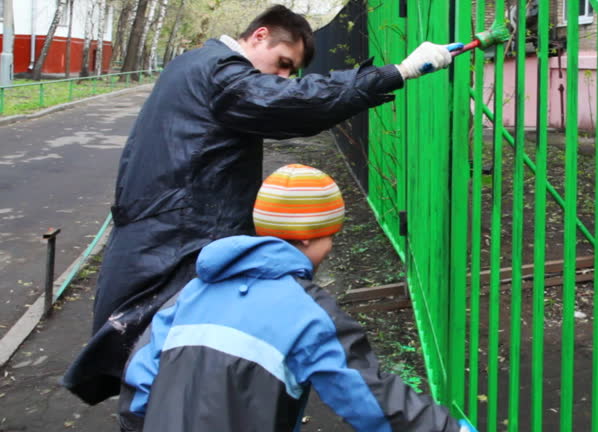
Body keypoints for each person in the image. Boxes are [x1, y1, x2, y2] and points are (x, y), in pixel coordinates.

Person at [63, 4, 461, 404]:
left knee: (168, 358)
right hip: (179, 239)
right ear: (259, 36)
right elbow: (291, 102)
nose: (283, 76)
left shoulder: (194, 64)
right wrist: (399, 72)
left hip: (165, 231)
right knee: (170, 365)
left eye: (291, 71)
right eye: (283, 63)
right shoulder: (221, 71)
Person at [118, 164, 476, 432]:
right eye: (329, 235)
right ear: (306, 237)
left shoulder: (193, 291)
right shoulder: (308, 313)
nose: (331, 246)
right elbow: (370, 397)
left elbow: (140, 381)